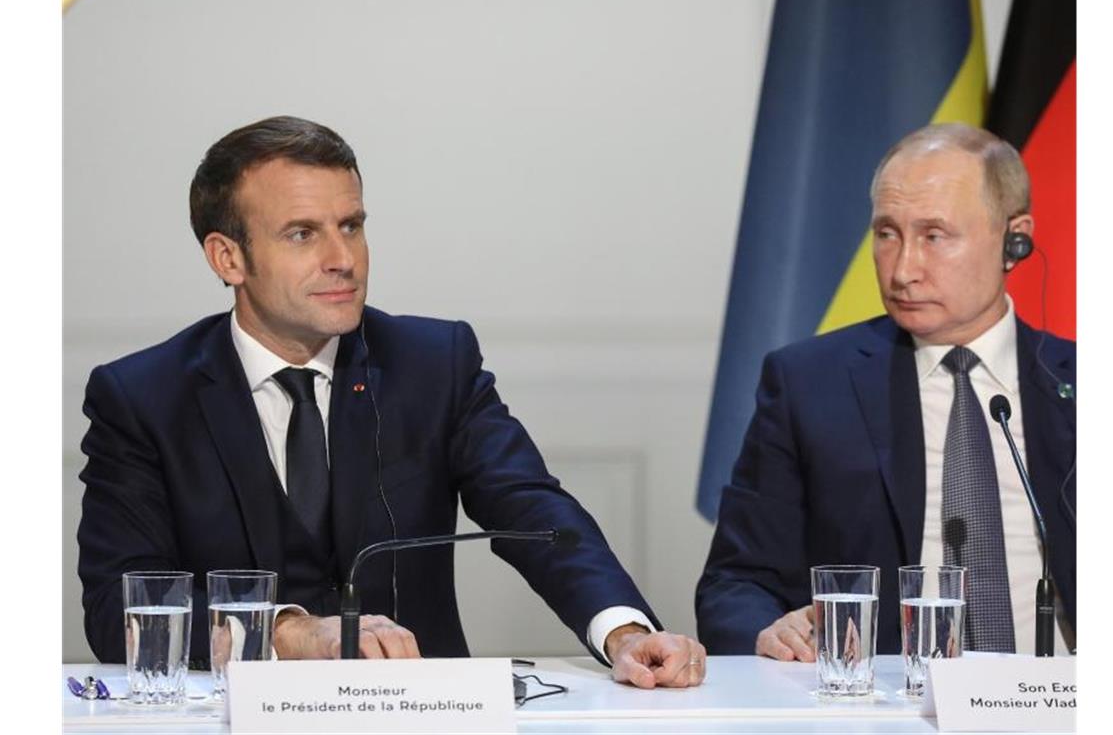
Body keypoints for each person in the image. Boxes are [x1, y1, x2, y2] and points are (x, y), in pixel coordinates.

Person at [77, 115, 706, 688]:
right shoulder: (144, 398)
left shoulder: (433, 363)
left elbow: (534, 513)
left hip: (419, 712)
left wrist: (624, 632)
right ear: (228, 257)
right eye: (302, 234)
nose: (342, 259)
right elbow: (118, 611)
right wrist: (289, 633)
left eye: (351, 226)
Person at [695, 123, 1075, 659]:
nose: (903, 270)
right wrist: (768, 632)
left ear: (1014, 240)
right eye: (887, 234)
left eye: (934, 236)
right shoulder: (808, 384)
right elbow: (736, 583)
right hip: (882, 696)